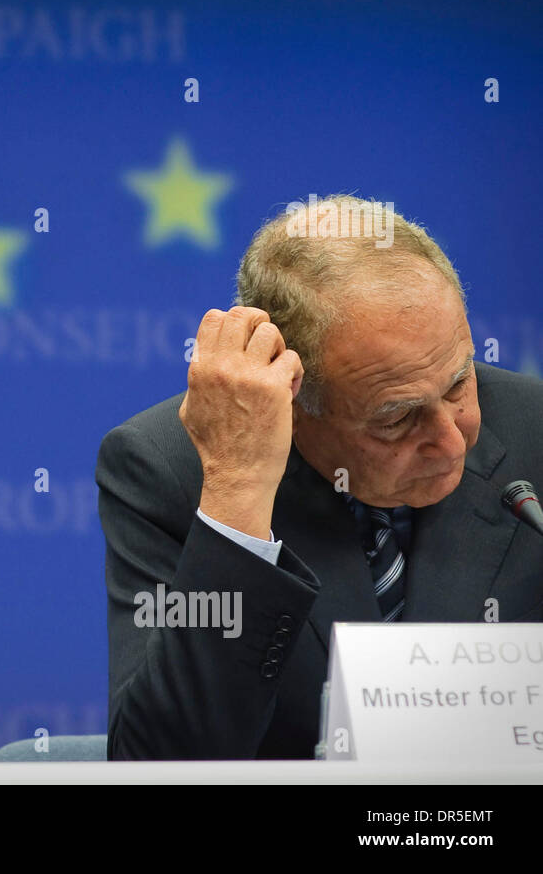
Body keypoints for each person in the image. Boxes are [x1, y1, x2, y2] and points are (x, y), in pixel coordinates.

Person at [96, 195, 543, 758]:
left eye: (458, 385)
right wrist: (238, 495)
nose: (453, 440)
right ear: (293, 400)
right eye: (397, 418)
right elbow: (161, 764)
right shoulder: (168, 470)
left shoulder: (537, 431)